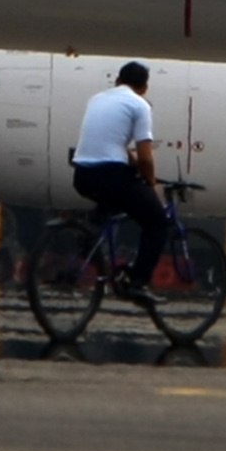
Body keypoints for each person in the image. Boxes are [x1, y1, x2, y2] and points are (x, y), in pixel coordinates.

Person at [68, 60, 177, 296]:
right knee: (157, 223)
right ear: (145, 88)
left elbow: (114, 144)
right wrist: (150, 182)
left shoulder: (97, 99)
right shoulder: (140, 105)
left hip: (82, 175)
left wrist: (134, 162)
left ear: (117, 81)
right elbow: (146, 158)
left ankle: (88, 247)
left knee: (112, 205)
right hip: (112, 175)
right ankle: (138, 283)